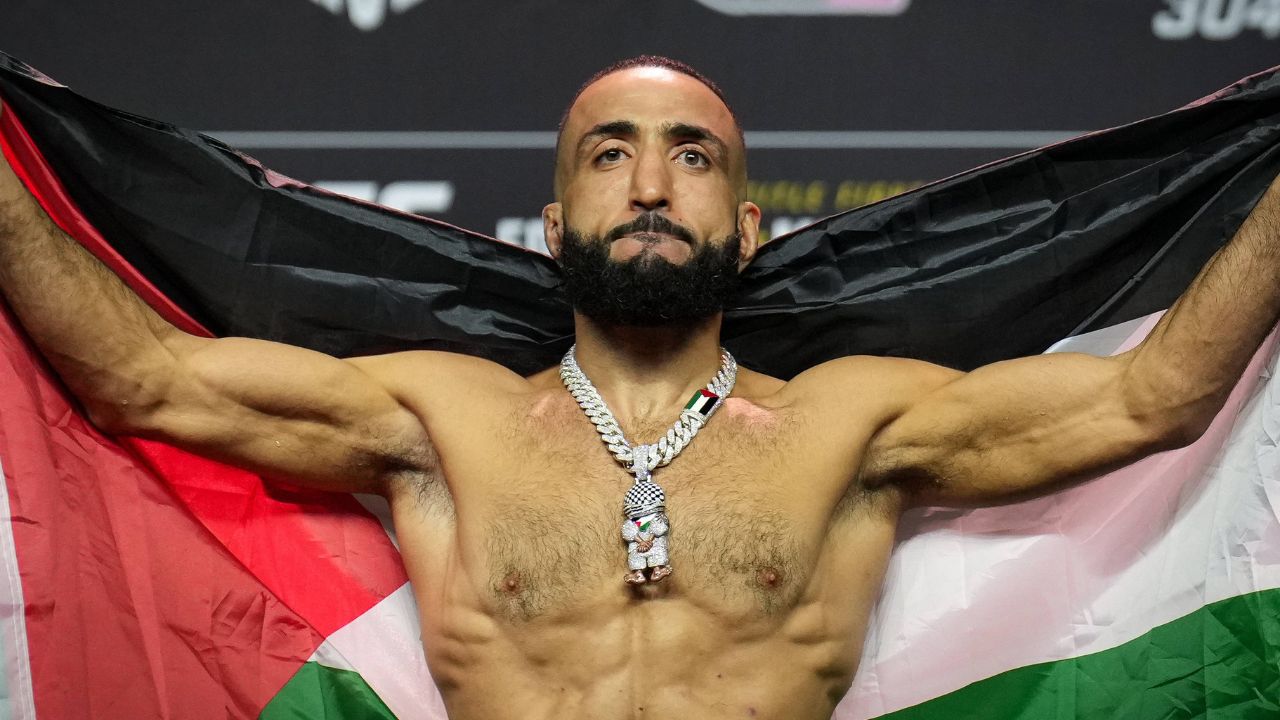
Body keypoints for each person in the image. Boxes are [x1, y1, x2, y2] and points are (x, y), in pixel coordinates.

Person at [0, 54, 1276, 720]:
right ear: (553, 225)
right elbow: (144, 380)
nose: (652, 185)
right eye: (610, 155)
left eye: (692, 157)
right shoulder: (446, 422)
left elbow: (1147, 399)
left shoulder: (851, 421)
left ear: (752, 223)